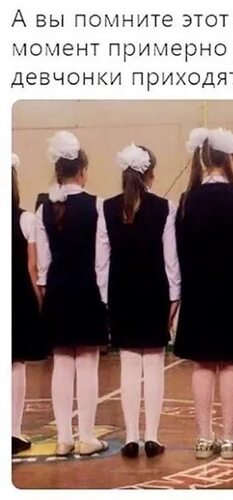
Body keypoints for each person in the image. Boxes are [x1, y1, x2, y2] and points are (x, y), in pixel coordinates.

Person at [173, 127, 233, 460]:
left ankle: (203, 437)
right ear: (229, 159)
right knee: (229, 363)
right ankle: (229, 437)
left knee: (202, 363)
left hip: (198, 293)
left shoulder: (188, 200)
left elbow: (179, 251)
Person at [103, 143, 181, 458]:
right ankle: (152, 436)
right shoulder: (165, 207)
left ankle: (131, 437)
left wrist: (105, 298)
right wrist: (175, 295)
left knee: (129, 366)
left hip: (121, 291)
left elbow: (101, 261)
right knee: (154, 365)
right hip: (154, 291)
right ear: (150, 174)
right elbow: (171, 259)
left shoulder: (106, 208)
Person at [36, 131, 109, 457]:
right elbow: (101, 257)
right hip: (88, 289)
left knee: (62, 365)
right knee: (87, 365)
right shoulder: (97, 206)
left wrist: (45, 294)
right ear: (82, 171)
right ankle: (87, 436)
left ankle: (64, 437)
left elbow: (43, 265)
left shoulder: (44, 210)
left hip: (57, 291)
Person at [12, 154, 48, 455]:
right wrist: (40, 301)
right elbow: (32, 267)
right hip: (17, 298)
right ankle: (13, 431)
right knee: (15, 364)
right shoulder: (25, 219)